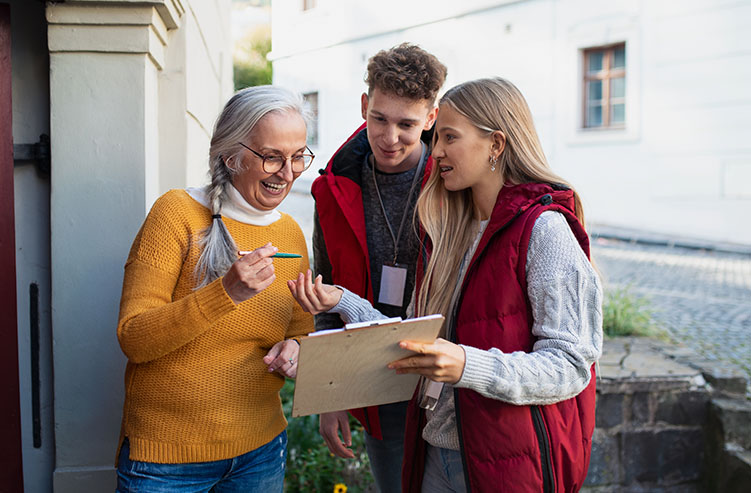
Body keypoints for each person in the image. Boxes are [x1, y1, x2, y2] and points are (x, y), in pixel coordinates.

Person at [289, 77, 603, 492]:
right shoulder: (450, 229)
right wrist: (343, 301)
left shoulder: (545, 231)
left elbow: (572, 364)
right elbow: (417, 336)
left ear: (496, 144)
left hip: (506, 462)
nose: (434, 150)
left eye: (449, 137)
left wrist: (465, 365)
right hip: (437, 453)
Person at [115, 85, 315, 492]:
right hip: (167, 460)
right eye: (272, 157)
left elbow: (300, 329)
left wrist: (295, 349)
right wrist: (226, 294)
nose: (289, 172)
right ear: (231, 155)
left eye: (299, 156)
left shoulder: (291, 233)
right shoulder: (177, 214)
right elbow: (134, 337)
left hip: (260, 451)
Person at [310, 42, 447, 492]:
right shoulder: (333, 189)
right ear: (365, 106)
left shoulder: (454, 184)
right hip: (376, 377)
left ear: (431, 118)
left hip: (450, 377)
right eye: (380, 120)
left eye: (407, 124)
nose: (391, 138)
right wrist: (332, 394)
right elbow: (326, 291)